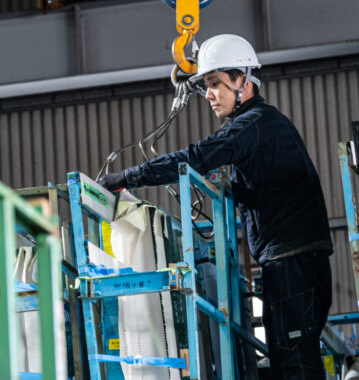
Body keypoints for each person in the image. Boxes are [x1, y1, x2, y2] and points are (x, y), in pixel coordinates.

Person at [97, 34, 333, 379]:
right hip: (293, 259)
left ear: (243, 80)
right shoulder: (264, 128)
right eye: (206, 85)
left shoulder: (253, 124)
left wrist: (126, 178)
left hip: (291, 261)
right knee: (291, 359)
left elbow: (197, 157)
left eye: (214, 83)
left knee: (295, 364)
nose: (208, 94)